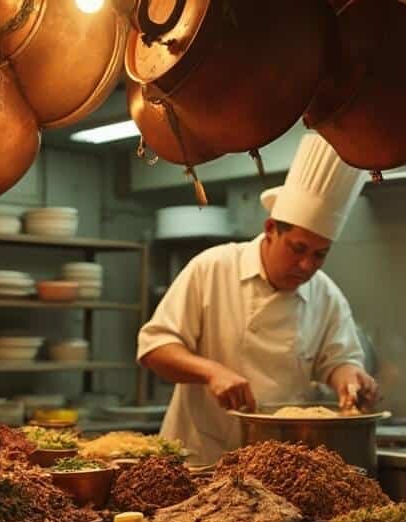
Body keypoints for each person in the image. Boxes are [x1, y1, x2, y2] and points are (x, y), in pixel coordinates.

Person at [137, 133, 379, 464]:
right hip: (201, 459)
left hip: (279, 464)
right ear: (270, 229)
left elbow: (339, 361)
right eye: (298, 249)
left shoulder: (325, 294)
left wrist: (350, 378)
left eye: (320, 255)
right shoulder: (213, 268)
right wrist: (211, 372)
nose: (307, 265)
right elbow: (154, 348)